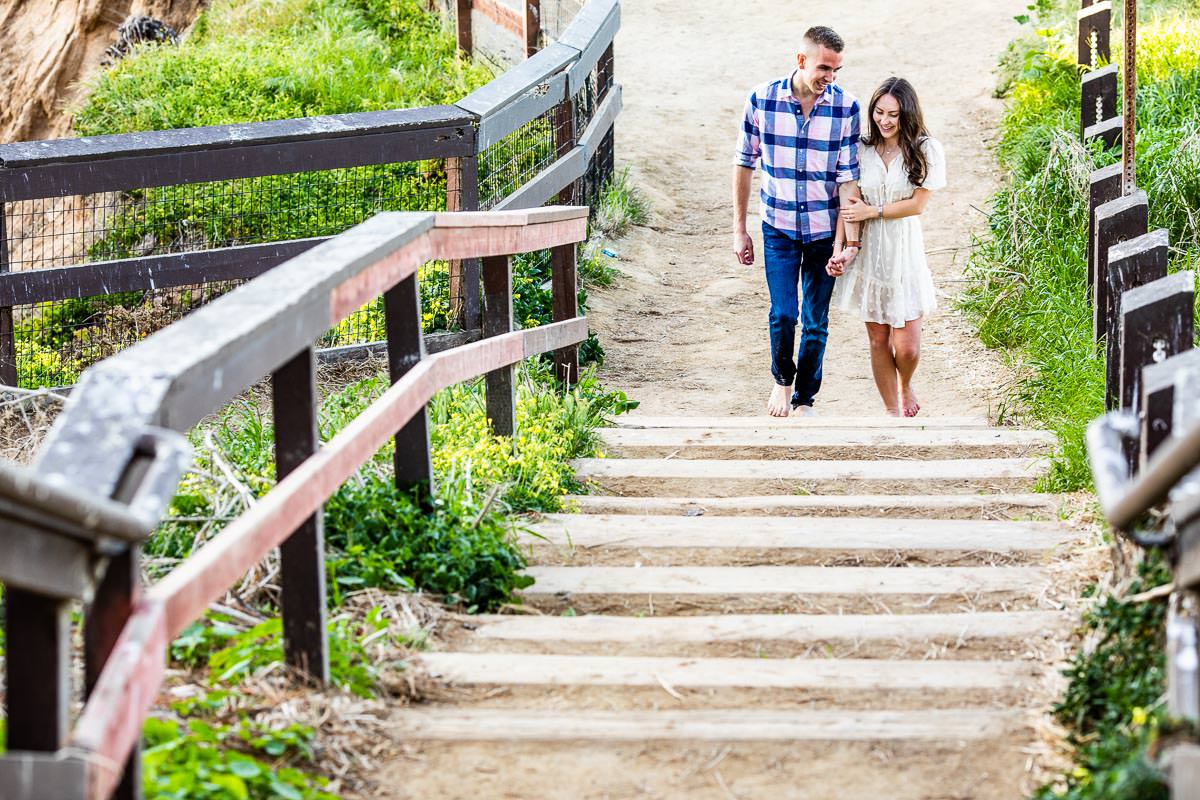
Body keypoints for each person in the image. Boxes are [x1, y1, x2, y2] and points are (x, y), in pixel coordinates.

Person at [732, 26, 861, 417]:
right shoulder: (762, 99)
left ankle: (805, 398)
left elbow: (848, 181)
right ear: (801, 60)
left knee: (816, 321)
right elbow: (743, 164)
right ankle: (782, 380)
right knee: (784, 313)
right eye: (824, 68)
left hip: (824, 230)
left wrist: (846, 244)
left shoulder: (847, 108)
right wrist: (739, 230)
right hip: (779, 226)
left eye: (836, 70)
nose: (830, 77)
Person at [827, 77, 945, 417]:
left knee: (906, 348)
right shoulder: (861, 149)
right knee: (878, 339)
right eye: (879, 112)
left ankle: (905, 383)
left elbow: (917, 205)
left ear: (907, 113)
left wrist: (874, 211)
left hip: (904, 252)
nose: (885, 120)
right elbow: (849, 203)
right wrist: (842, 247)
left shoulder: (925, 149)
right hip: (869, 253)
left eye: (893, 114)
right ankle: (893, 414)